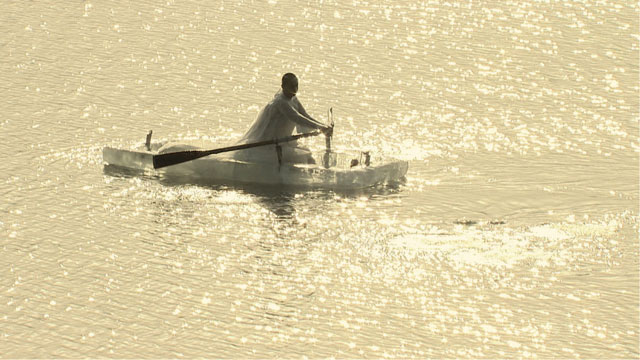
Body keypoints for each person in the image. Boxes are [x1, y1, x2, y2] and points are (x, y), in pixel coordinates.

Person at [233, 73, 332, 164]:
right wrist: (321, 128)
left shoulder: (294, 99)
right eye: (291, 86)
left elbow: (305, 116)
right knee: (301, 156)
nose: (295, 88)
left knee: (308, 157)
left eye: (296, 85)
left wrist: (323, 126)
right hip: (272, 145)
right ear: (283, 87)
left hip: (286, 142)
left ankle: (318, 178)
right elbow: (297, 118)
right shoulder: (281, 102)